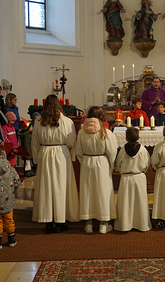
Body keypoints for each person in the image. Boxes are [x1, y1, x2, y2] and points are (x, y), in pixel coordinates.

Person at [31, 94, 79, 234]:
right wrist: (71, 156)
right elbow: (71, 142)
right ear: (59, 104)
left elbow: (35, 143)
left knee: (46, 188)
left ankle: (48, 222)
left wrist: (36, 159)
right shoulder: (66, 121)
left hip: (45, 153)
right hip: (61, 154)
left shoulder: (39, 121)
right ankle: (60, 222)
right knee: (60, 187)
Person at [76, 106, 117, 234]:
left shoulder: (82, 132)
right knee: (102, 192)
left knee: (87, 193)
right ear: (101, 117)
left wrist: (86, 162)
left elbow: (78, 152)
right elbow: (112, 152)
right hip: (102, 163)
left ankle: (88, 224)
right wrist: (110, 165)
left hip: (87, 162)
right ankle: (103, 224)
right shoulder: (105, 132)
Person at [114, 127, 152, 232]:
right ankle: (141, 224)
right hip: (139, 177)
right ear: (139, 137)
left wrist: (123, 172)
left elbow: (119, 164)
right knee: (140, 202)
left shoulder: (122, 150)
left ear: (126, 138)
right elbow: (146, 164)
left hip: (126, 178)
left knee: (126, 202)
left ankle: (125, 225)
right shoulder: (143, 150)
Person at [0, 154, 21, 249]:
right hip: (8, 201)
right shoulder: (11, 170)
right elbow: (17, 181)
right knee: (9, 220)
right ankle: (11, 239)